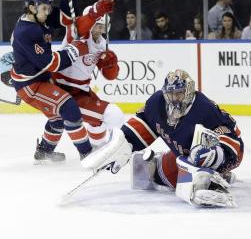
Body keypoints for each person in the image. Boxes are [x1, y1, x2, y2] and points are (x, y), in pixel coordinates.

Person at [81, 69, 244, 207]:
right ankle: (207, 174)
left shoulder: (204, 110)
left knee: (200, 159)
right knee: (161, 175)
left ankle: (218, 176)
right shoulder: (157, 103)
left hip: (213, 152)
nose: (174, 98)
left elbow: (232, 140)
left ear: (188, 91)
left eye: (179, 93)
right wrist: (123, 144)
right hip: (183, 154)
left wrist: (217, 156)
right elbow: (144, 123)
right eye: (170, 93)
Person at [10, 0, 114, 163]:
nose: (48, 11)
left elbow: (67, 20)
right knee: (68, 106)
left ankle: (44, 152)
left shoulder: (38, 18)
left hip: (40, 78)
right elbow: (51, 63)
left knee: (57, 116)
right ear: (31, 7)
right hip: (30, 85)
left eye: (48, 7)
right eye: (44, 8)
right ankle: (87, 154)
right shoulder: (26, 31)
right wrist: (74, 50)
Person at [52, 0, 124, 150]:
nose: (99, 30)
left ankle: (97, 146)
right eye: (96, 26)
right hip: (63, 89)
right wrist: (96, 12)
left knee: (97, 121)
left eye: (102, 27)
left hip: (81, 90)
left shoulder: (102, 44)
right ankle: (95, 148)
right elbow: (80, 25)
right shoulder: (78, 34)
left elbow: (109, 76)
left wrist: (111, 64)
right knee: (114, 115)